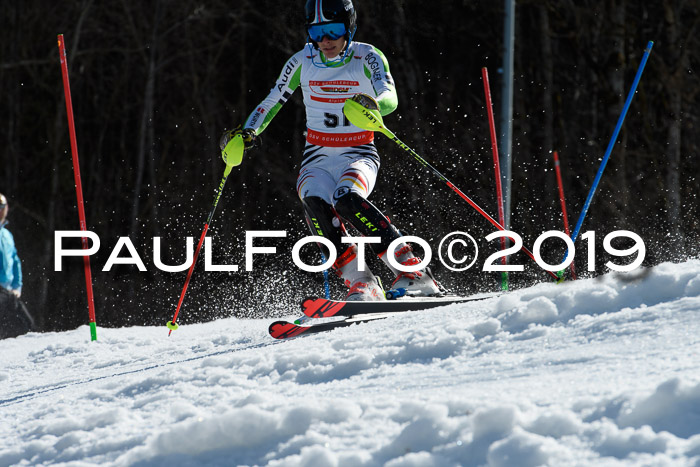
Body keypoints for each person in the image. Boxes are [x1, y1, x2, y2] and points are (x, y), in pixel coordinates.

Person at [221, 0, 440, 301]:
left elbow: (389, 96)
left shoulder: (367, 56)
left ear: (348, 28)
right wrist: (249, 131)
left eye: (333, 31)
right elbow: (272, 101)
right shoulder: (302, 61)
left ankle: (413, 272)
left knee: (348, 200)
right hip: (318, 157)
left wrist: (375, 106)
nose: (325, 41)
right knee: (314, 202)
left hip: (359, 151)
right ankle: (361, 282)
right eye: (317, 32)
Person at [0, 192, 34, 339]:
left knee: (27, 325)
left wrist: (17, 286)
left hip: (8, 291)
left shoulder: (7, 235)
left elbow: (15, 261)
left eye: (2, 206)